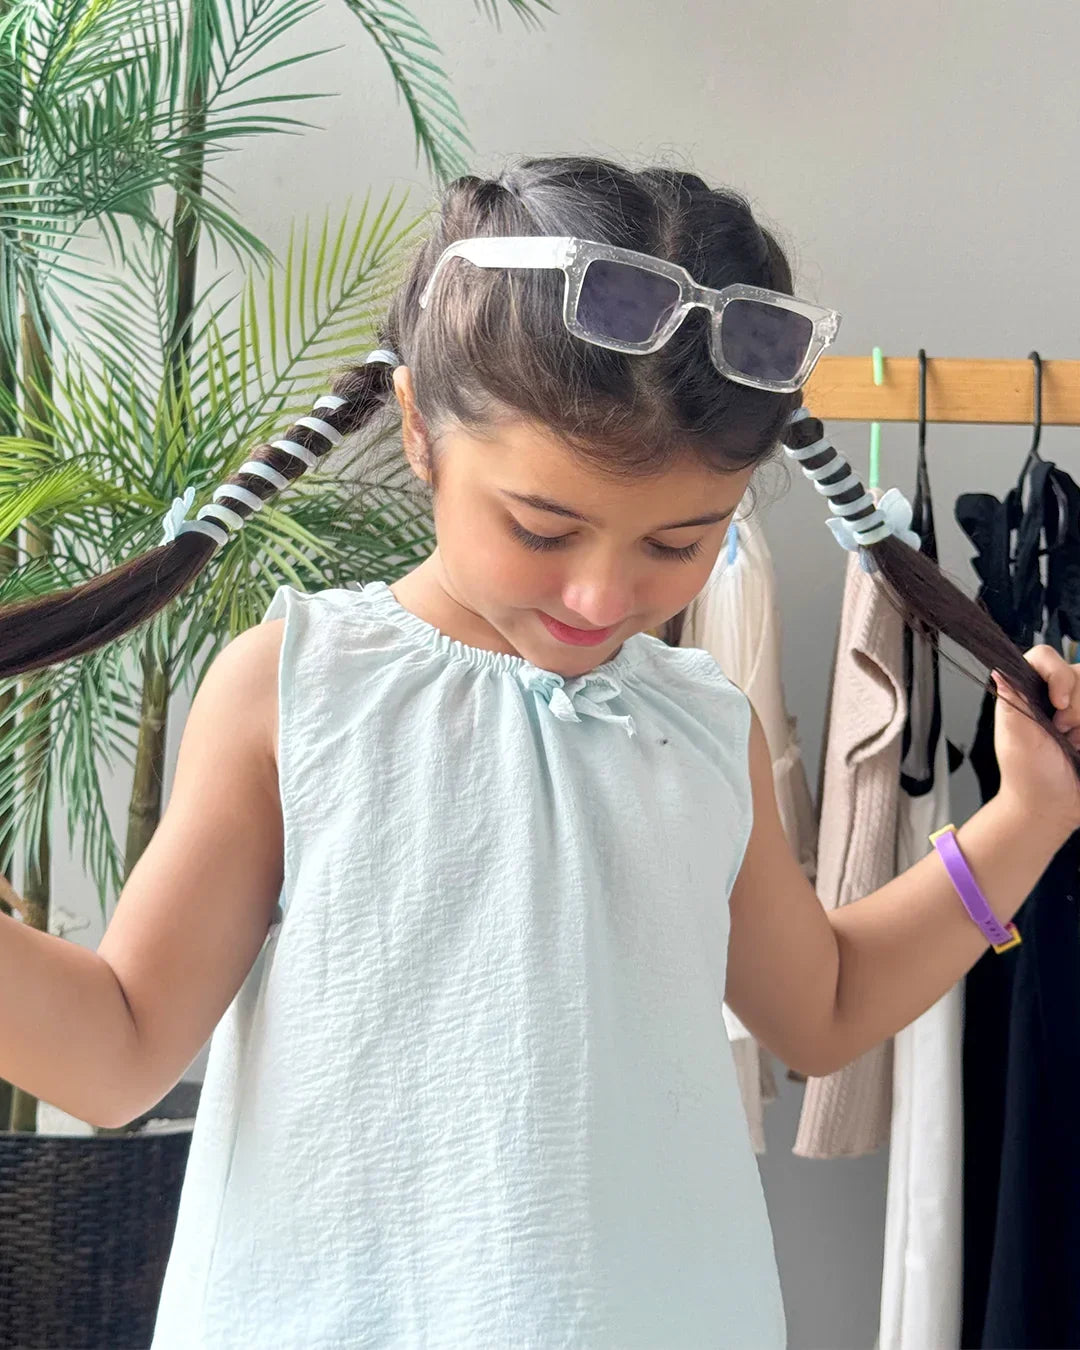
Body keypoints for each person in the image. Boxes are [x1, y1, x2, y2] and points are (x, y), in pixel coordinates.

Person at [1, 156, 1078, 1349]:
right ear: (419, 429)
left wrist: (1027, 818)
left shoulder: (698, 722)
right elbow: (115, 1055)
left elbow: (819, 1008)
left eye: (682, 542)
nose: (601, 591)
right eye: (542, 526)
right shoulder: (298, 689)